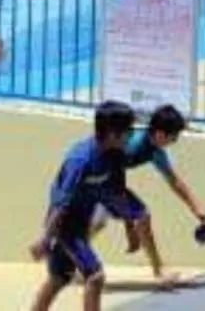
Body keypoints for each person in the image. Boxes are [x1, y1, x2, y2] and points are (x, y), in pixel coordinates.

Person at [91, 105, 205, 288]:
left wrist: (197, 208)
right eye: (174, 137)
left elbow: (175, 182)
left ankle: (66, 252)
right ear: (161, 135)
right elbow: (113, 171)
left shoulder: (155, 151)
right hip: (95, 178)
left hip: (109, 182)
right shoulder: (132, 142)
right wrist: (129, 225)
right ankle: (159, 271)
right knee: (140, 216)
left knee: (100, 221)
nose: (175, 141)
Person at [28, 101, 138, 311]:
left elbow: (119, 194)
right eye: (129, 132)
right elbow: (61, 204)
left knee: (59, 278)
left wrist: (130, 227)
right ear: (112, 133)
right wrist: (45, 238)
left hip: (82, 219)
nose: (131, 137)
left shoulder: (115, 156)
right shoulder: (80, 159)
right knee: (95, 276)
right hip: (63, 222)